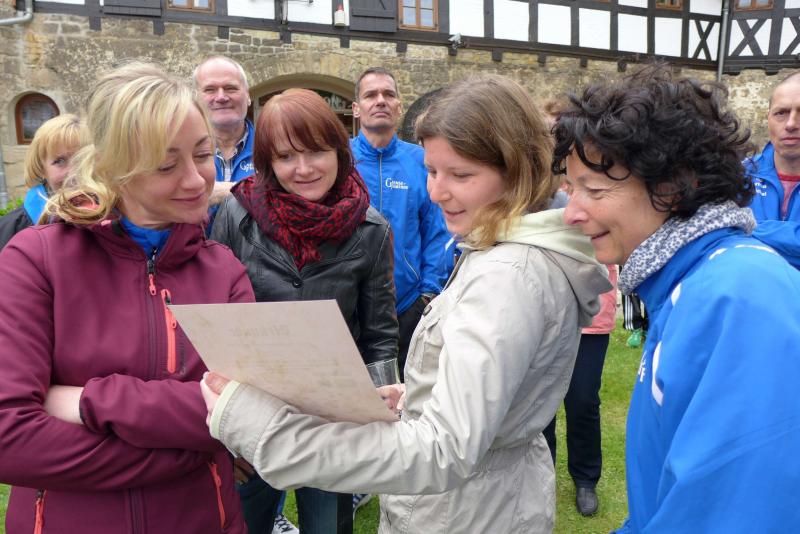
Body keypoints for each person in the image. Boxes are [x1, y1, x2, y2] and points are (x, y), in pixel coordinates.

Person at [202, 74, 610, 533]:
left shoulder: (505, 277)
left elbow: (444, 447)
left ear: (515, 168)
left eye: (460, 175)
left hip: (462, 510)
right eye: (432, 172)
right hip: (481, 499)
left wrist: (270, 436)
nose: (435, 192)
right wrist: (417, 395)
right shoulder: (500, 251)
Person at [0, 62, 252, 533]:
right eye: (165, 165)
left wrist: (90, 401)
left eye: (202, 154)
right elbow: (9, 438)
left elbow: (247, 410)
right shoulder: (36, 260)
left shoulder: (224, 271)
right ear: (114, 169)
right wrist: (191, 452)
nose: (196, 179)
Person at [554, 64, 800, 532]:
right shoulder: (686, 284)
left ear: (674, 185)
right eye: (571, 189)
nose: (571, 214)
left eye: (594, 189)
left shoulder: (736, 297)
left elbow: (733, 514)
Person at [211, 88, 398, 534]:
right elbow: (215, 321)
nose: (304, 169)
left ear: (339, 150)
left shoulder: (371, 229)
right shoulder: (237, 214)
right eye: (286, 156)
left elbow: (379, 335)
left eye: (316, 151)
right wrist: (222, 429)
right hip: (254, 413)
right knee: (246, 524)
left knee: (327, 525)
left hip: (332, 420)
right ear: (268, 163)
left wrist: (380, 410)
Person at [350, 67, 449, 379]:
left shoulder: (421, 161)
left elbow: (437, 229)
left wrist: (428, 292)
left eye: (388, 94)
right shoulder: (340, 160)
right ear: (356, 108)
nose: (380, 100)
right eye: (371, 95)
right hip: (350, 304)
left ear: (398, 106)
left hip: (408, 306)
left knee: (408, 394)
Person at [543, 264, 617, 516]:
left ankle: (586, 479)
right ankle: (541, 474)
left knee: (583, 400)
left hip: (593, 314)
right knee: (541, 402)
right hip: (547, 310)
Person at [0, 113, 87, 249]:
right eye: (60, 161)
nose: (74, 173)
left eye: (83, 158)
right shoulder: (10, 232)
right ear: (41, 169)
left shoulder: (115, 219)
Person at [744, 70, 800, 267]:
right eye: (781, 113)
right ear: (768, 118)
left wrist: (748, 228)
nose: (791, 124)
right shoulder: (737, 175)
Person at [193, 56, 255, 206]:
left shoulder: (272, 147)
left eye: (230, 88)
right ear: (196, 99)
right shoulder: (178, 151)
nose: (221, 97)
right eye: (210, 89)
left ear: (248, 96)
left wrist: (226, 191)